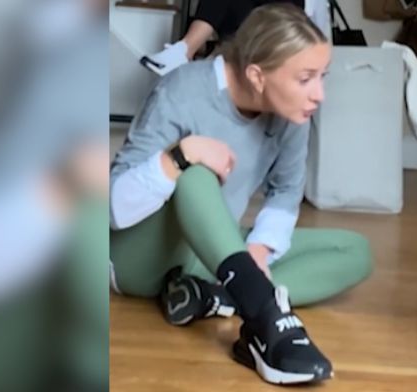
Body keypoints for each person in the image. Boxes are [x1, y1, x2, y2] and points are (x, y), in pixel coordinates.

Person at [110, 3, 372, 384]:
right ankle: (264, 317)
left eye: (322, 77)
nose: (319, 95)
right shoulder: (183, 89)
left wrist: (260, 250)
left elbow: (285, 192)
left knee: (354, 251)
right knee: (198, 172)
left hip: (210, 258)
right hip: (136, 259)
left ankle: (213, 297)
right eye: (305, 78)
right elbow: (113, 208)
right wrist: (181, 157)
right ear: (256, 75)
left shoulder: (292, 113)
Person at [140, 0, 330, 76]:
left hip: (284, 29)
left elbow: (317, 34)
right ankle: (183, 50)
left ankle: (184, 51)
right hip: (246, 30)